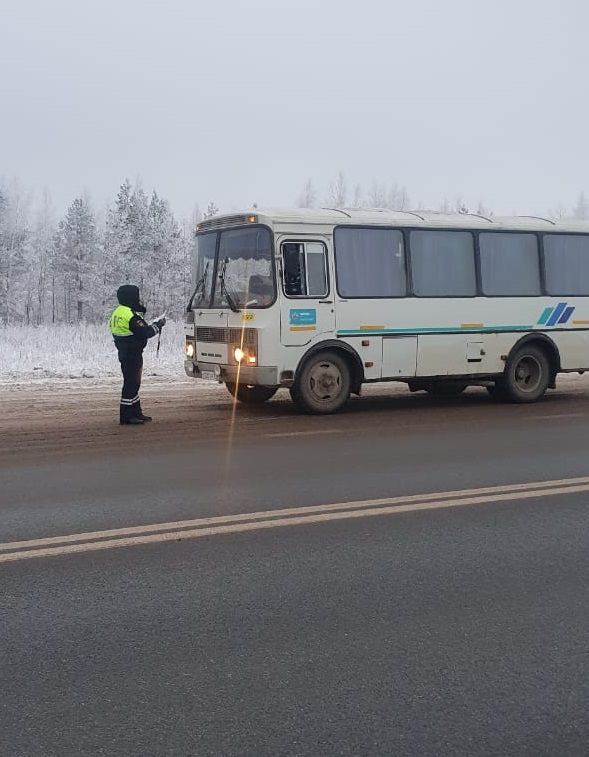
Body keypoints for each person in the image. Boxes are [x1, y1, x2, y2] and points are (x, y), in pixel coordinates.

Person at [109, 285, 166, 425]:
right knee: (131, 383)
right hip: (131, 353)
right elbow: (145, 332)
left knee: (134, 383)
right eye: (136, 295)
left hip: (126, 351)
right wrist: (158, 325)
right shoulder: (129, 315)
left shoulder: (119, 311)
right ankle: (127, 416)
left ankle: (136, 412)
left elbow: (140, 328)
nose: (138, 298)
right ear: (130, 297)